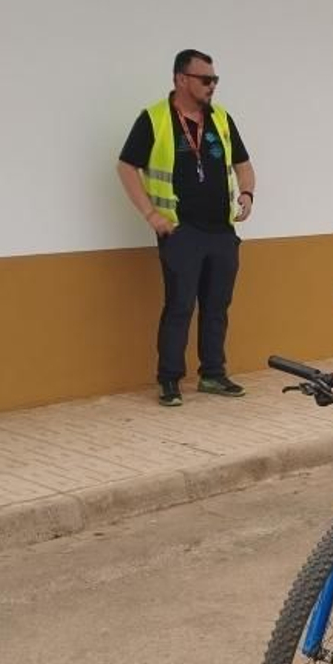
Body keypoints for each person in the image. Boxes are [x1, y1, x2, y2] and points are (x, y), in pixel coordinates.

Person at [117, 49, 255, 407]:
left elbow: (243, 163)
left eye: (215, 80)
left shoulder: (221, 119)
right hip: (181, 231)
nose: (212, 86)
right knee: (179, 305)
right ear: (181, 79)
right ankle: (169, 379)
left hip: (221, 231)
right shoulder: (155, 118)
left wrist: (247, 194)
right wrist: (151, 214)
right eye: (205, 79)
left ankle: (213, 373)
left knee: (217, 305)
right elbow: (126, 167)